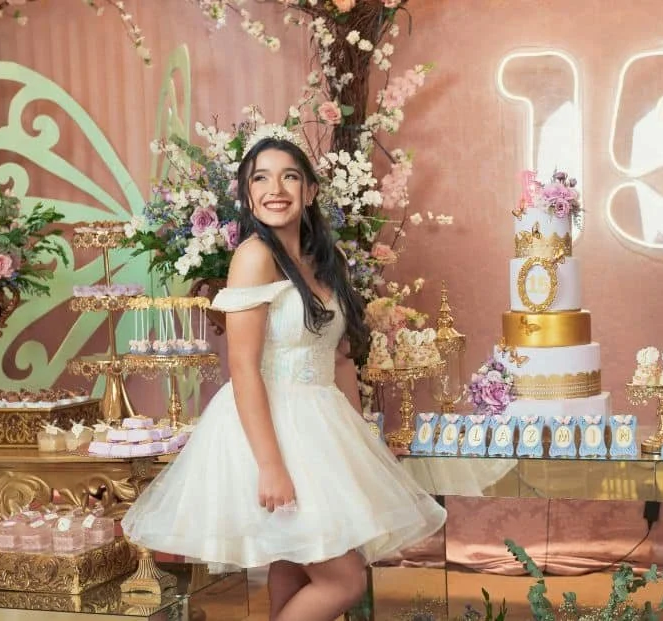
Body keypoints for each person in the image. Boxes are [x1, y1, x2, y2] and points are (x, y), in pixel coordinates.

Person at [123, 132, 446, 621]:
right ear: (248, 195)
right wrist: (271, 465)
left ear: (310, 191)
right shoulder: (255, 256)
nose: (275, 189)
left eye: (289, 176)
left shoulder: (328, 261)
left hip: (323, 424)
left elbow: (340, 359)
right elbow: (242, 366)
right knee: (343, 580)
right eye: (261, 178)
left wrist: (361, 444)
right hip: (270, 427)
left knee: (293, 563)